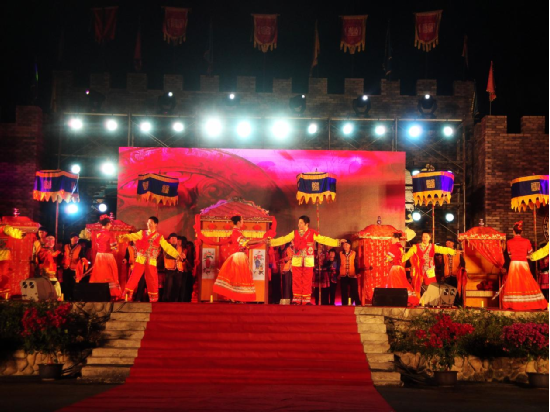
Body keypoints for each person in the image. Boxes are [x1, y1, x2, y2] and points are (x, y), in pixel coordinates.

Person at [269, 216, 345, 305]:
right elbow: (284, 239)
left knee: (307, 281)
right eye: (298, 223)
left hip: (308, 261)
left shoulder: (312, 233)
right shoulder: (294, 233)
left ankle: (306, 300)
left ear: (306, 224)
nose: (298, 225)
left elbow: (324, 239)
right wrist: (271, 242)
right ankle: (297, 299)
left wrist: (337, 242)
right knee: (296, 280)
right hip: (297, 261)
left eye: (301, 223)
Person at [120, 216, 185, 303]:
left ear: (155, 224)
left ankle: (153, 300)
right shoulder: (142, 233)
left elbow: (167, 247)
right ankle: (127, 296)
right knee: (134, 277)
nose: (148, 224)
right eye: (148, 223)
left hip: (151, 261)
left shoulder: (159, 237)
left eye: (151, 223)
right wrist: (122, 237)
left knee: (152, 280)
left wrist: (177, 255)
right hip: (141, 259)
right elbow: (132, 236)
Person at [213, 216, 266, 302]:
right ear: (238, 222)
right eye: (242, 221)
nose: (243, 223)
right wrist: (260, 241)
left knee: (238, 277)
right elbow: (246, 242)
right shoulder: (236, 232)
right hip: (239, 257)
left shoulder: (237, 232)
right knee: (239, 277)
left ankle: (237, 297)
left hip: (240, 256)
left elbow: (245, 243)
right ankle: (235, 297)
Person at [501, 222, 547, 311]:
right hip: (523, 263)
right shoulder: (527, 241)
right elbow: (530, 253)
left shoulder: (509, 242)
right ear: (521, 232)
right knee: (527, 282)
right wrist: (523, 255)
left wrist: (516, 256)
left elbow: (509, 255)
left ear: (513, 232)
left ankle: (513, 303)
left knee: (514, 283)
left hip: (514, 264)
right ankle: (530, 303)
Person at [402, 231, 458, 296]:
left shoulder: (433, 247)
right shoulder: (416, 247)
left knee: (431, 290)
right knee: (418, 290)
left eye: (426, 237)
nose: (424, 238)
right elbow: (407, 255)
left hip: (429, 272)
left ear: (430, 238)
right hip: (419, 272)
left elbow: (442, 249)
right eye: (423, 237)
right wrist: (399, 261)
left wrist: (453, 252)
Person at [89, 215, 122, 300]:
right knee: (110, 274)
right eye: (110, 224)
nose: (111, 225)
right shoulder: (110, 234)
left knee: (99, 274)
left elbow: (97, 244)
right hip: (107, 255)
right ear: (107, 224)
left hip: (99, 256)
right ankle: (111, 293)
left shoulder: (98, 233)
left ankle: (98, 292)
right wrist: (117, 247)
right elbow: (113, 247)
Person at [385, 233, 419, 307]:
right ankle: (407, 298)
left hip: (395, 268)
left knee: (395, 285)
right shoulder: (401, 247)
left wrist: (387, 259)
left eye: (392, 239)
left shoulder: (394, 246)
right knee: (403, 284)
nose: (391, 240)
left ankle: (396, 300)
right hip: (400, 268)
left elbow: (390, 258)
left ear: (396, 238)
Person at [0, 224, 25, 298]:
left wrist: (19, 234)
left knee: (4, 274)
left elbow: (12, 231)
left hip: (4, 256)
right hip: (4, 256)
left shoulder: (3, 228)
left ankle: (3, 288)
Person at [61, 233, 88, 301]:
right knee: (66, 283)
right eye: (74, 238)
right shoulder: (65, 246)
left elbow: (82, 256)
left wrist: (84, 259)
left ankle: (73, 299)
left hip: (74, 268)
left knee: (73, 284)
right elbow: (62, 255)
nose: (76, 239)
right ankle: (66, 298)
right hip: (66, 267)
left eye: (77, 238)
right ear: (71, 238)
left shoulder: (80, 247)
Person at [162, 233, 187, 302]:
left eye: (175, 238)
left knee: (177, 286)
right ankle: (166, 301)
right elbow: (167, 256)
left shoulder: (180, 248)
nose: (174, 240)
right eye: (172, 238)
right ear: (169, 240)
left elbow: (182, 258)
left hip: (178, 269)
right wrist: (178, 256)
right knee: (168, 286)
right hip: (169, 269)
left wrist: (184, 257)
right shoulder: (167, 247)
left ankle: (175, 301)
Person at [339, 241, 361, 306]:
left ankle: (355, 302)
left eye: (346, 245)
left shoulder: (354, 253)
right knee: (344, 290)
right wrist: (338, 273)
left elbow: (356, 263)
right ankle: (344, 304)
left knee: (354, 289)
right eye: (344, 245)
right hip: (343, 274)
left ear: (349, 245)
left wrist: (357, 272)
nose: (345, 246)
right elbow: (338, 263)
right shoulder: (340, 253)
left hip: (352, 274)